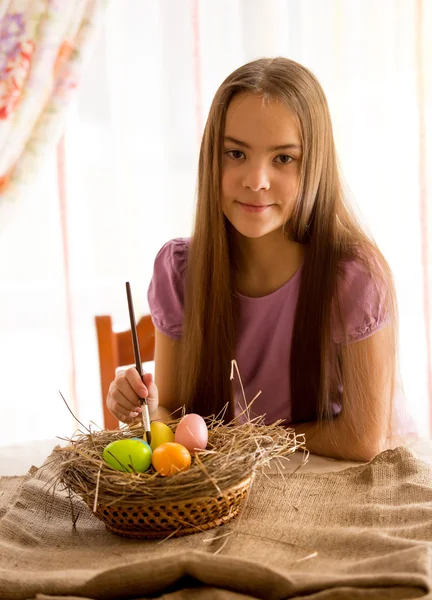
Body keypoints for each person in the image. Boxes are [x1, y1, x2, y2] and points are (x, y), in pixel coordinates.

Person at [106, 57, 402, 462]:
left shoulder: (352, 278)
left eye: (283, 158)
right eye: (235, 153)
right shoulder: (181, 271)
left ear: (313, 165)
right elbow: (171, 420)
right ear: (212, 157)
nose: (256, 180)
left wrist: (241, 442)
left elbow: (362, 440)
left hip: (326, 488)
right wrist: (143, 406)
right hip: (221, 496)